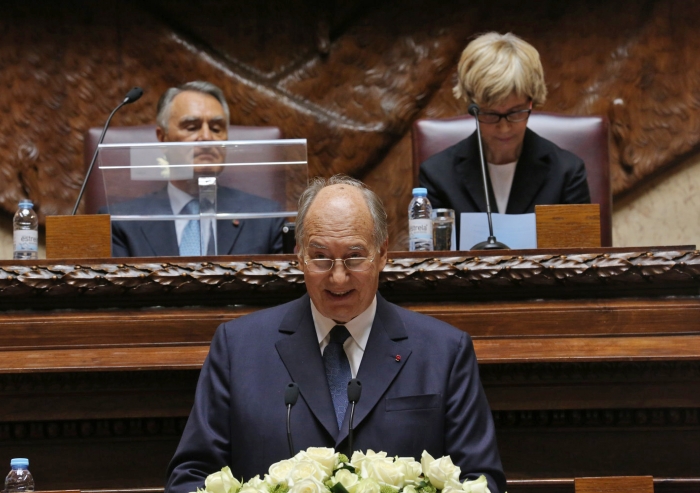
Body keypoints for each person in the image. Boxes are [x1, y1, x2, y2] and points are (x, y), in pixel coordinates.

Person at [165, 175, 506, 493]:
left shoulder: (444, 352)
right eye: (321, 258)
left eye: (355, 258)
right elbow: (190, 476)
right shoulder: (238, 348)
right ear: (299, 254)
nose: (338, 278)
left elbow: (481, 479)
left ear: (383, 253)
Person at [419, 32, 590, 234]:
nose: (504, 128)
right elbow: (432, 259)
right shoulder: (437, 175)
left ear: (530, 102)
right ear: (471, 106)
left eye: (515, 113)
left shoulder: (567, 173)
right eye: (491, 114)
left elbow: (580, 259)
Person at [104, 81, 283, 257]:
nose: (207, 137)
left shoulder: (266, 218)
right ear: (163, 138)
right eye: (192, 127)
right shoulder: (121, 222)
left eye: (216, 128)